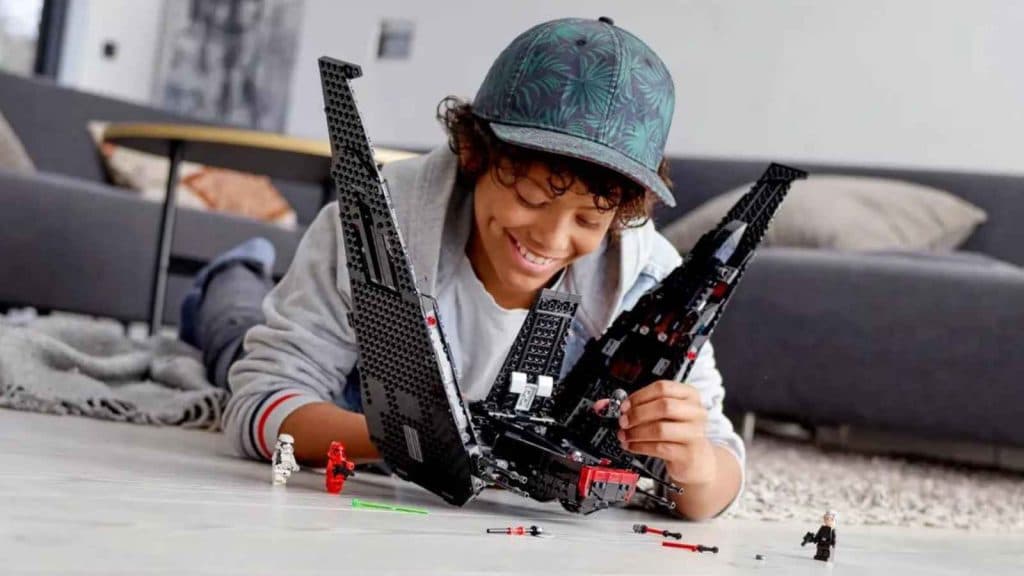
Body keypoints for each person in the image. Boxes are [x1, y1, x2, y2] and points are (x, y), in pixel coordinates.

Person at [182, 16, 744, 520]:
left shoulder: (652, 282)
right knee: (230, 336)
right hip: (353, 398)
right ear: (476, 154)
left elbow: (718, 479)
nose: (550, 238)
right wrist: (424, 439)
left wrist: (693, 462)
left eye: (588, 220)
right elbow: (257, 402)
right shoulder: (375, 224)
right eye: (529, 196)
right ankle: (233, 273)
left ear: (620, 215)